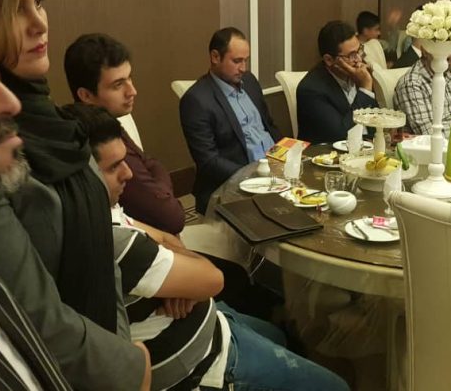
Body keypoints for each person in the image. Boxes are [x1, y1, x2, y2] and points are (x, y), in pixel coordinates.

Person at [71, 103, 351, 391]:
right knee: (336, 386)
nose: (128, 173)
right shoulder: (113, 241)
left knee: (278, 334)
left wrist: (186, 285)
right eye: (113, 167)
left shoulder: (107, 211)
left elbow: (169, 238)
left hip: (209, 321)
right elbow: (212, 278)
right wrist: (193, 283)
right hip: (204, 364)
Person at [0, 30, 151, 390]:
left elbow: (105, 261)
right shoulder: (13, 184)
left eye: (39, 4)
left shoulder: (70, 132)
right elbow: (46, 323)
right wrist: (127, 366)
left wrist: (121, 354)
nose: (9, 103)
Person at [64, 33, 185, 234]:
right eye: (118, 85)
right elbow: (173, 217)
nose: (132, 91)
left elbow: (151, 162)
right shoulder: (102, 145)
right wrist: (161, 187)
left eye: (129, 78)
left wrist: (155, 177)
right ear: (86, 95)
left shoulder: (111, 122)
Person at [179, 27, 281, 214]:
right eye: (237, 61)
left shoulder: (249, 82)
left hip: (274, 171)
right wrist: (253, 176)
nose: (243, 68)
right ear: (215, 57)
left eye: (245, 60)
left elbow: (269, 126)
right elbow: (209, 161)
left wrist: (288, 154)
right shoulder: (196, 100)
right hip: (235, 185)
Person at [297, 20, 378, 144]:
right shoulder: (311, 89)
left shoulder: (358, 73)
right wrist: (365, 90)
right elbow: (341, 135)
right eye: (351, 55)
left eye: (359, 51)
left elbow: (376, 121)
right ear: (329, 60)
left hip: (367, 146)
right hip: (329, 152)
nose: (358, 60)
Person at [393, 45, 451, 138]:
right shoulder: (412, 84)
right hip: (435, 146)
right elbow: (431, 134)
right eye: (444, 48)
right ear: (425, 51)